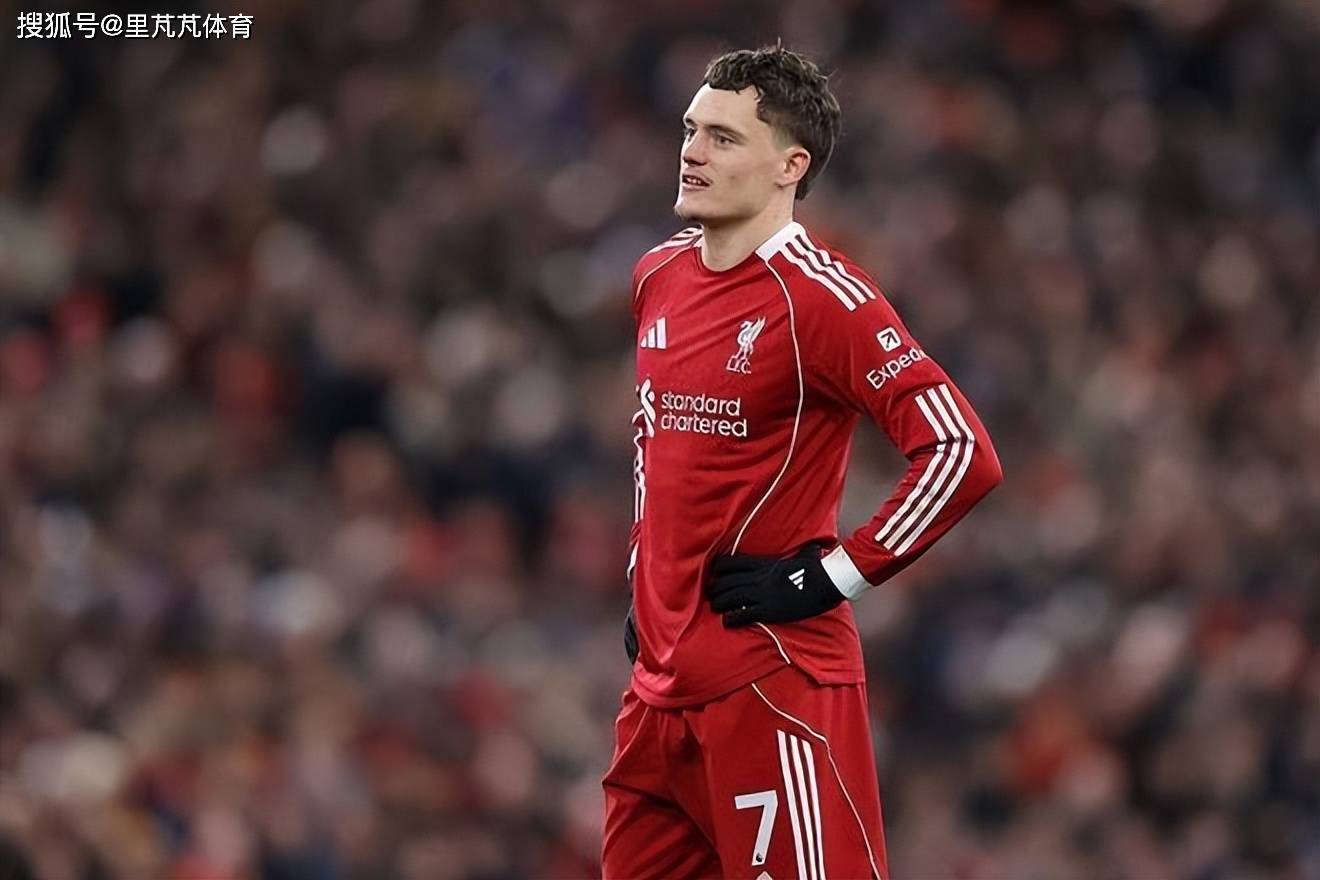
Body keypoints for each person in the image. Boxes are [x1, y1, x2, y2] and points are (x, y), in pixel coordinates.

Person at [602, 45, 1003, 880]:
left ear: (791, 166)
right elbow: (654, 441)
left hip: (771, 684)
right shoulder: (657, 275)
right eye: (690, 130)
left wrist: (832, 577)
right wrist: (646, 572)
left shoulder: (824, 297)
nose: (692, 152)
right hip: (656, 695)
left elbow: (961, 451)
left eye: (723, 138)